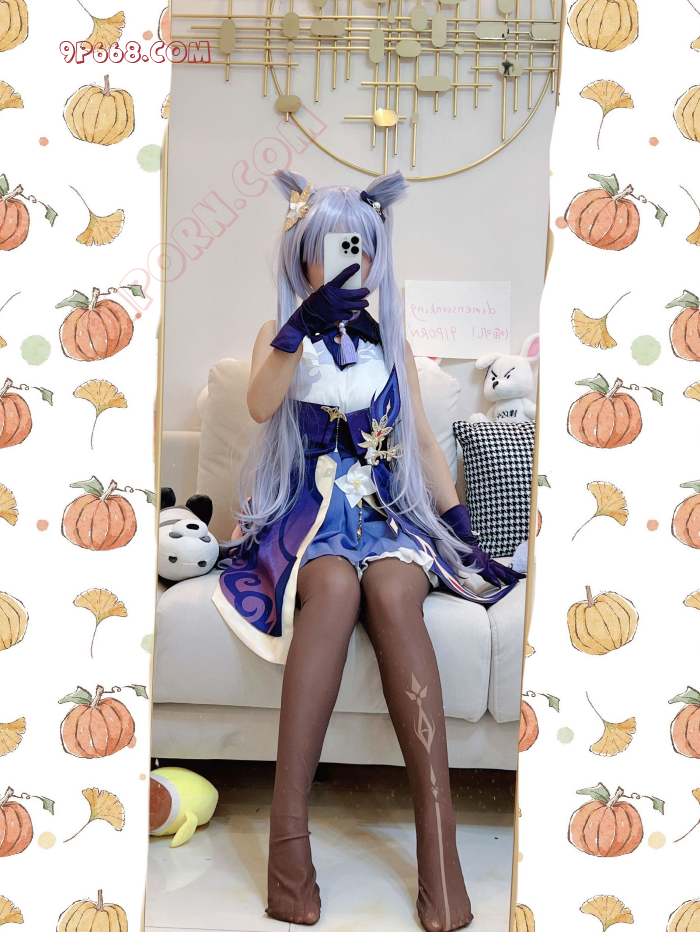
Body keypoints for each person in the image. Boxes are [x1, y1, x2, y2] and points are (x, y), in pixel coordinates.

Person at [213, 169, 523, 932]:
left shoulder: (393, 342)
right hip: (312, 516)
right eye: (329, 247)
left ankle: (440, 854)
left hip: (387, 513)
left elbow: (423, 445)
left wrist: (463, 531)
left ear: (377, 254)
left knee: (389, 592)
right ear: (303, 256)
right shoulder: (279, 332)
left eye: (360, 247)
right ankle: (289, 848)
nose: (347, 260)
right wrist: (300, 326)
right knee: (334, 592)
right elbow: (258, 404)